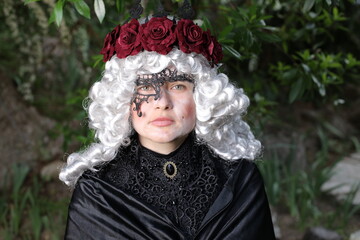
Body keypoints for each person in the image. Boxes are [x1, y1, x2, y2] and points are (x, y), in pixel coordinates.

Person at [60, 2, 276, 239]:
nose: (162, 101)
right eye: (145, 86)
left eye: (177, 85)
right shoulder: (97, 192)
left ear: (202, 97)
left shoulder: (239, 181)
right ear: (124, 101)